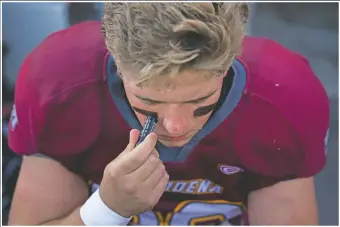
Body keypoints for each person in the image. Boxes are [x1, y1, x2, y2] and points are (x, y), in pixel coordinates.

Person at [8, 2, 329, 226]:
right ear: (117, 66)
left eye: (201, 103)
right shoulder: (60, 83)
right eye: (148, 104)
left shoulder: (283, 98)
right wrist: (106, 208)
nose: (175, 127)